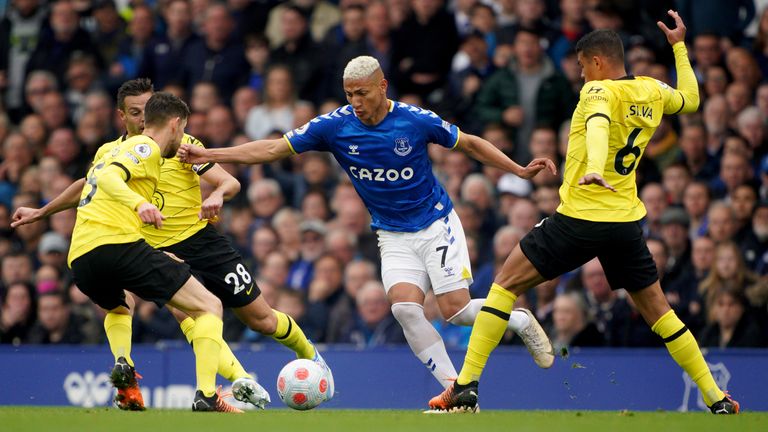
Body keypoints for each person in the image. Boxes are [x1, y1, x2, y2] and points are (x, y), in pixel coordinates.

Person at [178, 55, 558, 391]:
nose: (356, 102)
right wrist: (208, 153)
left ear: (382, 86)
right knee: (405, 309)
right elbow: (273, 148)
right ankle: (455, 389)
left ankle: (518, 318)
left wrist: (518, 169)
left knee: (455, 312)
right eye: (349, 94)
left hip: (435, 224)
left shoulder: (413, 120)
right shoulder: (335, 126)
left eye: (363, 93)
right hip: (391, 233)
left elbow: (470, 143)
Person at [427, 11, 740, 415]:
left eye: (580, 67)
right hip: (625, 223)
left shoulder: (597, 92)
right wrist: (679, 47)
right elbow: (693, 99)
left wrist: (593, 167)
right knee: (660, 312)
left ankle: (465, 386)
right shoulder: (652, 90)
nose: (580, 76)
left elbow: (596, 125)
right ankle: (715, 397)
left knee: (504, 284)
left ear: (596, 62)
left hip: (580, 216)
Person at [12, 79, 332, 409]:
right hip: (152, 245)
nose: (143, 118)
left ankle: (308, 355)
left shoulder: (181, 144)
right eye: (136, 112)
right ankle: (233, 381)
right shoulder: (112, 151)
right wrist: (44, 210)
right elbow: (88, 184)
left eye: (148, 110)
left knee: (260, 319)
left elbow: (229, 181)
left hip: (201, 240)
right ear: (122, 116)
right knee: (192, 314)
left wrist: (217, 196)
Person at [58, 92, 240, 412]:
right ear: (174, 124)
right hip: (117, 245)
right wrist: (139, 203)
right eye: (182, 130)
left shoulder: (111, 150)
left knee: (118, 306)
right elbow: (109, 177)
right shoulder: (145, 146)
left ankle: (124, 367)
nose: (182, 138)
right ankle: (207, 395)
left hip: (81, 257)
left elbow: (91, 181)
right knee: (209, 305)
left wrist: (42, 212)